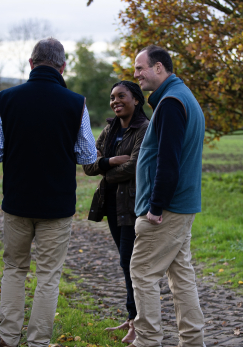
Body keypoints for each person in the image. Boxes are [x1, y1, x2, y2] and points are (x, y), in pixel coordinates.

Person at [0, 37, 97, 347]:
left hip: (17, 201)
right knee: (48, 275)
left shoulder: (6, 99)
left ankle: (8, 339)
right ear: (63, 67)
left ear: (31, 64)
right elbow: (88, 155)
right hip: (57, 205)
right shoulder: (77, 103)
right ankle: (37, 342)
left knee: (14, 269)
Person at [128, 45, 205, 347]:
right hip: (181, 207)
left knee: (143, 272)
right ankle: (193, 341)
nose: (136, 75)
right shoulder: (182, 97)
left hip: (167, 210)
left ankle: (147, 341)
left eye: (140, 68)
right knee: (180, 275)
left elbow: (168, 162)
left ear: (158, 68)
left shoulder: (172, 102)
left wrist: (155, 207)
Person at [83, 81, 149, 343]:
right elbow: (88, 164)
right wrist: (109, 161)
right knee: (126, 263)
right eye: (112, 97)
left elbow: (135, 166)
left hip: (132, 207)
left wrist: (105, 171)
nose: (115, 101)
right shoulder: (110, 129)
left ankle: (138, 323)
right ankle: (133, 318)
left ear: (136, 99)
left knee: (130, 263)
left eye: (121, 96)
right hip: (110, 206)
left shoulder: (144, 128)